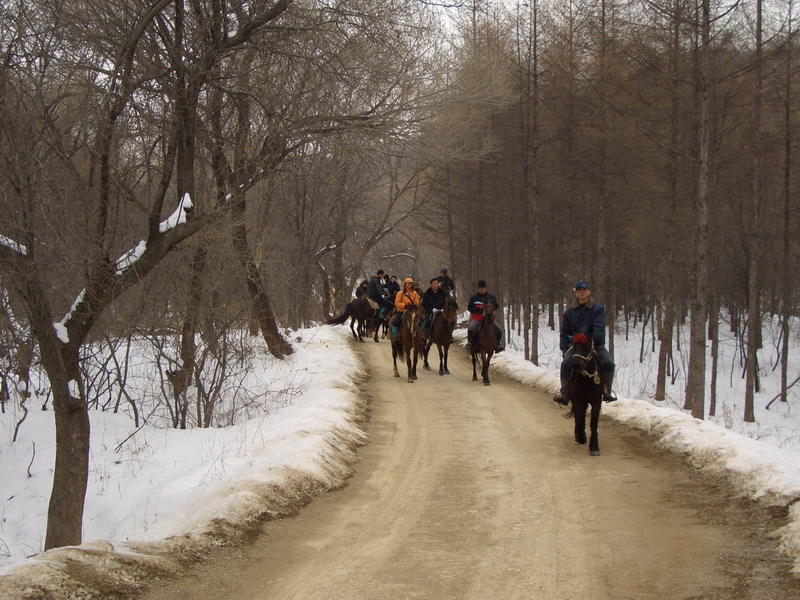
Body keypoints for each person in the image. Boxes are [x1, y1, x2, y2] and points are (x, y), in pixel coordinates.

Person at [553, 281, 617, 405]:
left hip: (595, 344)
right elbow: (564, 333)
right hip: (575, 346)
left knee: (608, 363)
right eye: (579, 290)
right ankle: (564, 392)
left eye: (584, 289)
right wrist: (564, 349)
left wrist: (593, 339)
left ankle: (607, 391)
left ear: (589, 291)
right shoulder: (569, 312)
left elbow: (599, 328)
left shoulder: (598, 309)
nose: (582, 292)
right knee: (566, 363)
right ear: (576, 293)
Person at [466, 280, 503, 353]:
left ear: (486, 288)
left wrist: (492, 311)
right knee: (471, 328)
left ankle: (498, 345)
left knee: (500, 329)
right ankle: (470, 343)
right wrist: (478, 310)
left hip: (489, 319)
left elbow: (496, 306)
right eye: (480, 288)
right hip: (478, 318)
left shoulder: (491, 297)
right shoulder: (473, 298)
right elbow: (469, 308)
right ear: (478, 289)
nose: (482, 290)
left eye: (483, 288)